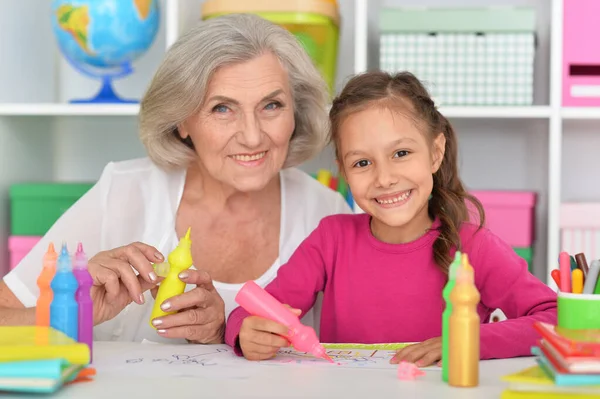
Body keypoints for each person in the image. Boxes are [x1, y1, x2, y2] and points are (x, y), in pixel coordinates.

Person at [0, 14, 351, 343]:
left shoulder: (327, 213)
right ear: (182, 120)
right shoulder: (123, 192)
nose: (253, 136)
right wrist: (76, 313)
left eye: (271, 105)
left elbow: (356, 354)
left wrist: (219, 334)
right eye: (222, 108)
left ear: (297, 110)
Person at [225, 71, 557, 366]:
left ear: (435, 153)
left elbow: (557, 319)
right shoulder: (331, 239)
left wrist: (467, 342)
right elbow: (255, 312)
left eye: (401, 154)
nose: (384, 178)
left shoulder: (473, 246)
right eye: (362, 163)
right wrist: (244, 331)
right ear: (344, 172)